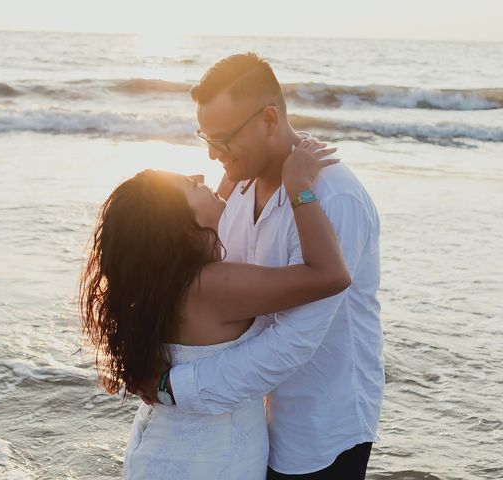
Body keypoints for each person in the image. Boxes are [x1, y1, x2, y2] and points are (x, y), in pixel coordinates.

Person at [137, 52, 384, 479]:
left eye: (225, 139)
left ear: (269, 119)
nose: (213, 155)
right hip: (247, 419)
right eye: (206, 137)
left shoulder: (333, 197)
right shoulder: (237, 184)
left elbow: (294, 340)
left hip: (319, 425)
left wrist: (176, 387)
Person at [80, 138, 349, 479]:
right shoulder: (212, 285)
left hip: (171, 449)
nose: (201, 175)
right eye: (191, 184)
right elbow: (330, 275)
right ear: (182, 227)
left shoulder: (161, 284)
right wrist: (299, 189)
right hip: (205, 463)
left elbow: (214, 199)